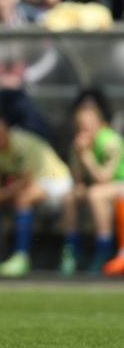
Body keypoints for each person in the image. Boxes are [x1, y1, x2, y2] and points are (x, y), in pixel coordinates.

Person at [0, 109, 73, 278]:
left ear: (6, 131)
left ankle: (21, 257)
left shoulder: (22, 143)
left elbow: (25, 183)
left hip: (56, 180)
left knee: (23, 199)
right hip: (35, 183)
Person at [60, 93, 124, 275]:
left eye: (87, 125)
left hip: (119, 183)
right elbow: (78, 179)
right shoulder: (79, 144)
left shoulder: (110, 141)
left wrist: (86, 156)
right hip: (101, 185)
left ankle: (103, 249)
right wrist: (79, 155)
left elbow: (104, 178)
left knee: (96, 194)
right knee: (69, 197)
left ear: (99, 123)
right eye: (80, 126)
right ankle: (72, 250)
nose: (83, 129)